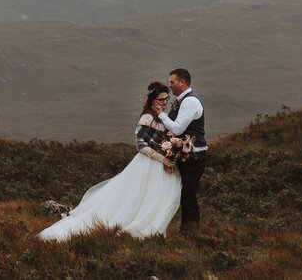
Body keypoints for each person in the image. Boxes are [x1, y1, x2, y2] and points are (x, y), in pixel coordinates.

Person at [37, 82, 181, 241]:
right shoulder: (146, 118)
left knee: (158, 197)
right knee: (138, 196)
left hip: (161, 164)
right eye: (161, 100)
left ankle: (156, 229)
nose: (164, 103)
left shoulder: (164, 117)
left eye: (166, 99)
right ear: (152, 100)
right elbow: (141, 146)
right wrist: (163, 159)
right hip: (147, 164)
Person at [156, 67, 208, 231]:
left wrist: (160, 113)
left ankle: (190, 230)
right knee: (183, 192)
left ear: (182, 82)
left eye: (172, 82)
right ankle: (186, 229)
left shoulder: (190, 101)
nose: (169, 85)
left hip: (195, 154)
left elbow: (177, 129)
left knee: (188, 193)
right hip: (186, 153)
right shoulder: (182, 101)